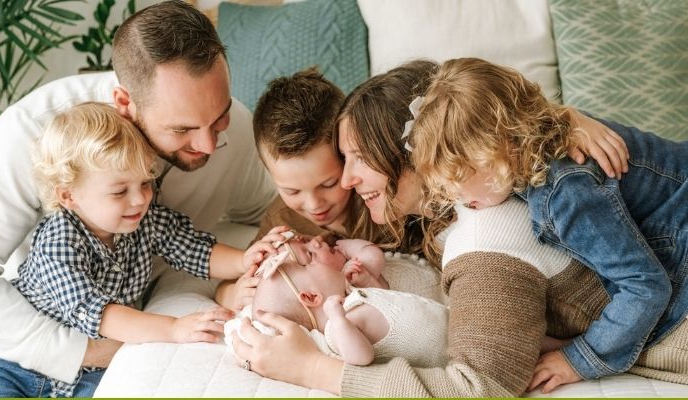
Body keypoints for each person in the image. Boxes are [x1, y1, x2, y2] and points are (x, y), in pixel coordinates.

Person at [230, 60, 642, 397]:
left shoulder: (484, 230)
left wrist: (312, 369)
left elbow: (480, 387)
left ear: (412, 151)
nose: (344, 184)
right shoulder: (429, 213)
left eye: (354, 160)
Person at [0, 1, 275, 397]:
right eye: (183, 129)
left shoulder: (235, 130)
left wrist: (259, 260)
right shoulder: (27, 137)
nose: (210, 144)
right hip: (29, 349)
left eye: (218, 117)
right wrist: (91, 351)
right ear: (125, 103)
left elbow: (264, 211)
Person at [409, 57, 688, 392]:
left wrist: (579, 358)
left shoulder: (566, 194)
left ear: (503, 147)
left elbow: (645, 285)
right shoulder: (547, 140)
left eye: (459, 176)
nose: (454, 195)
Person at [215, 68, 386, 311]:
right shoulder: (281, 222)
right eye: (292, 191)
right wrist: (232, 294)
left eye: (328, 184)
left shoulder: (375, 196)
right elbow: (230, 282)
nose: (314, 204)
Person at [247, 231, 448, 368]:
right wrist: (339, 319)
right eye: (307, 265)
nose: (314, 262)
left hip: (449, 324)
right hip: (444, 354)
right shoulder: (336, 329)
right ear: (311, 297)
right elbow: (360, 357)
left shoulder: (351, 296)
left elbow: (388, 301)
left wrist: (369, 281)